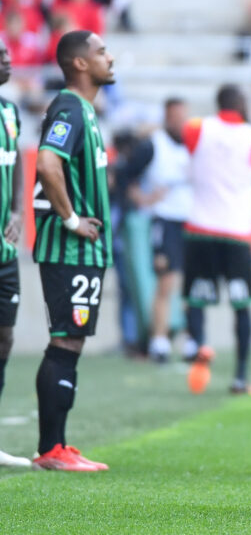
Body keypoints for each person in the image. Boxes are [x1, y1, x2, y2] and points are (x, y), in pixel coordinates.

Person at [31, 30, 115, 471]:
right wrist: (70, 219)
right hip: (69, 250)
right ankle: (51, 449)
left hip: (81, 254)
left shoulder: (84, 110)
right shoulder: (69, 107)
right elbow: (47, 162)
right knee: (65, 341)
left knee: (71, 342)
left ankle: (57, 445)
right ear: (80, 63)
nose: (110, 58)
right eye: (102, 52)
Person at [181, 85, 251, 395]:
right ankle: (240, 376)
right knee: (241, 306)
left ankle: (200, 344)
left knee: (196, 299)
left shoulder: (196, 128)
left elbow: (187, 145)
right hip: (236, 231)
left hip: (200, 227)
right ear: (241, 104)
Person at [142, 98, 191, 362]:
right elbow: (127, 173)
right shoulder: (154, 143)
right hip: (165, 220)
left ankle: (191, 341)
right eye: (175, 117)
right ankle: (159, 341)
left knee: (192, 285)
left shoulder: (194, 145)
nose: (179, 122)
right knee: (166, 282)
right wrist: (142, 198)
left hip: (191, 220)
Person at [0, 39, 29, 468]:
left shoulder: (9, 109)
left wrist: (19, 209)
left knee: (4, 338)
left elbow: (18, 157)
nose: (7, 58)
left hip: (5, 250)